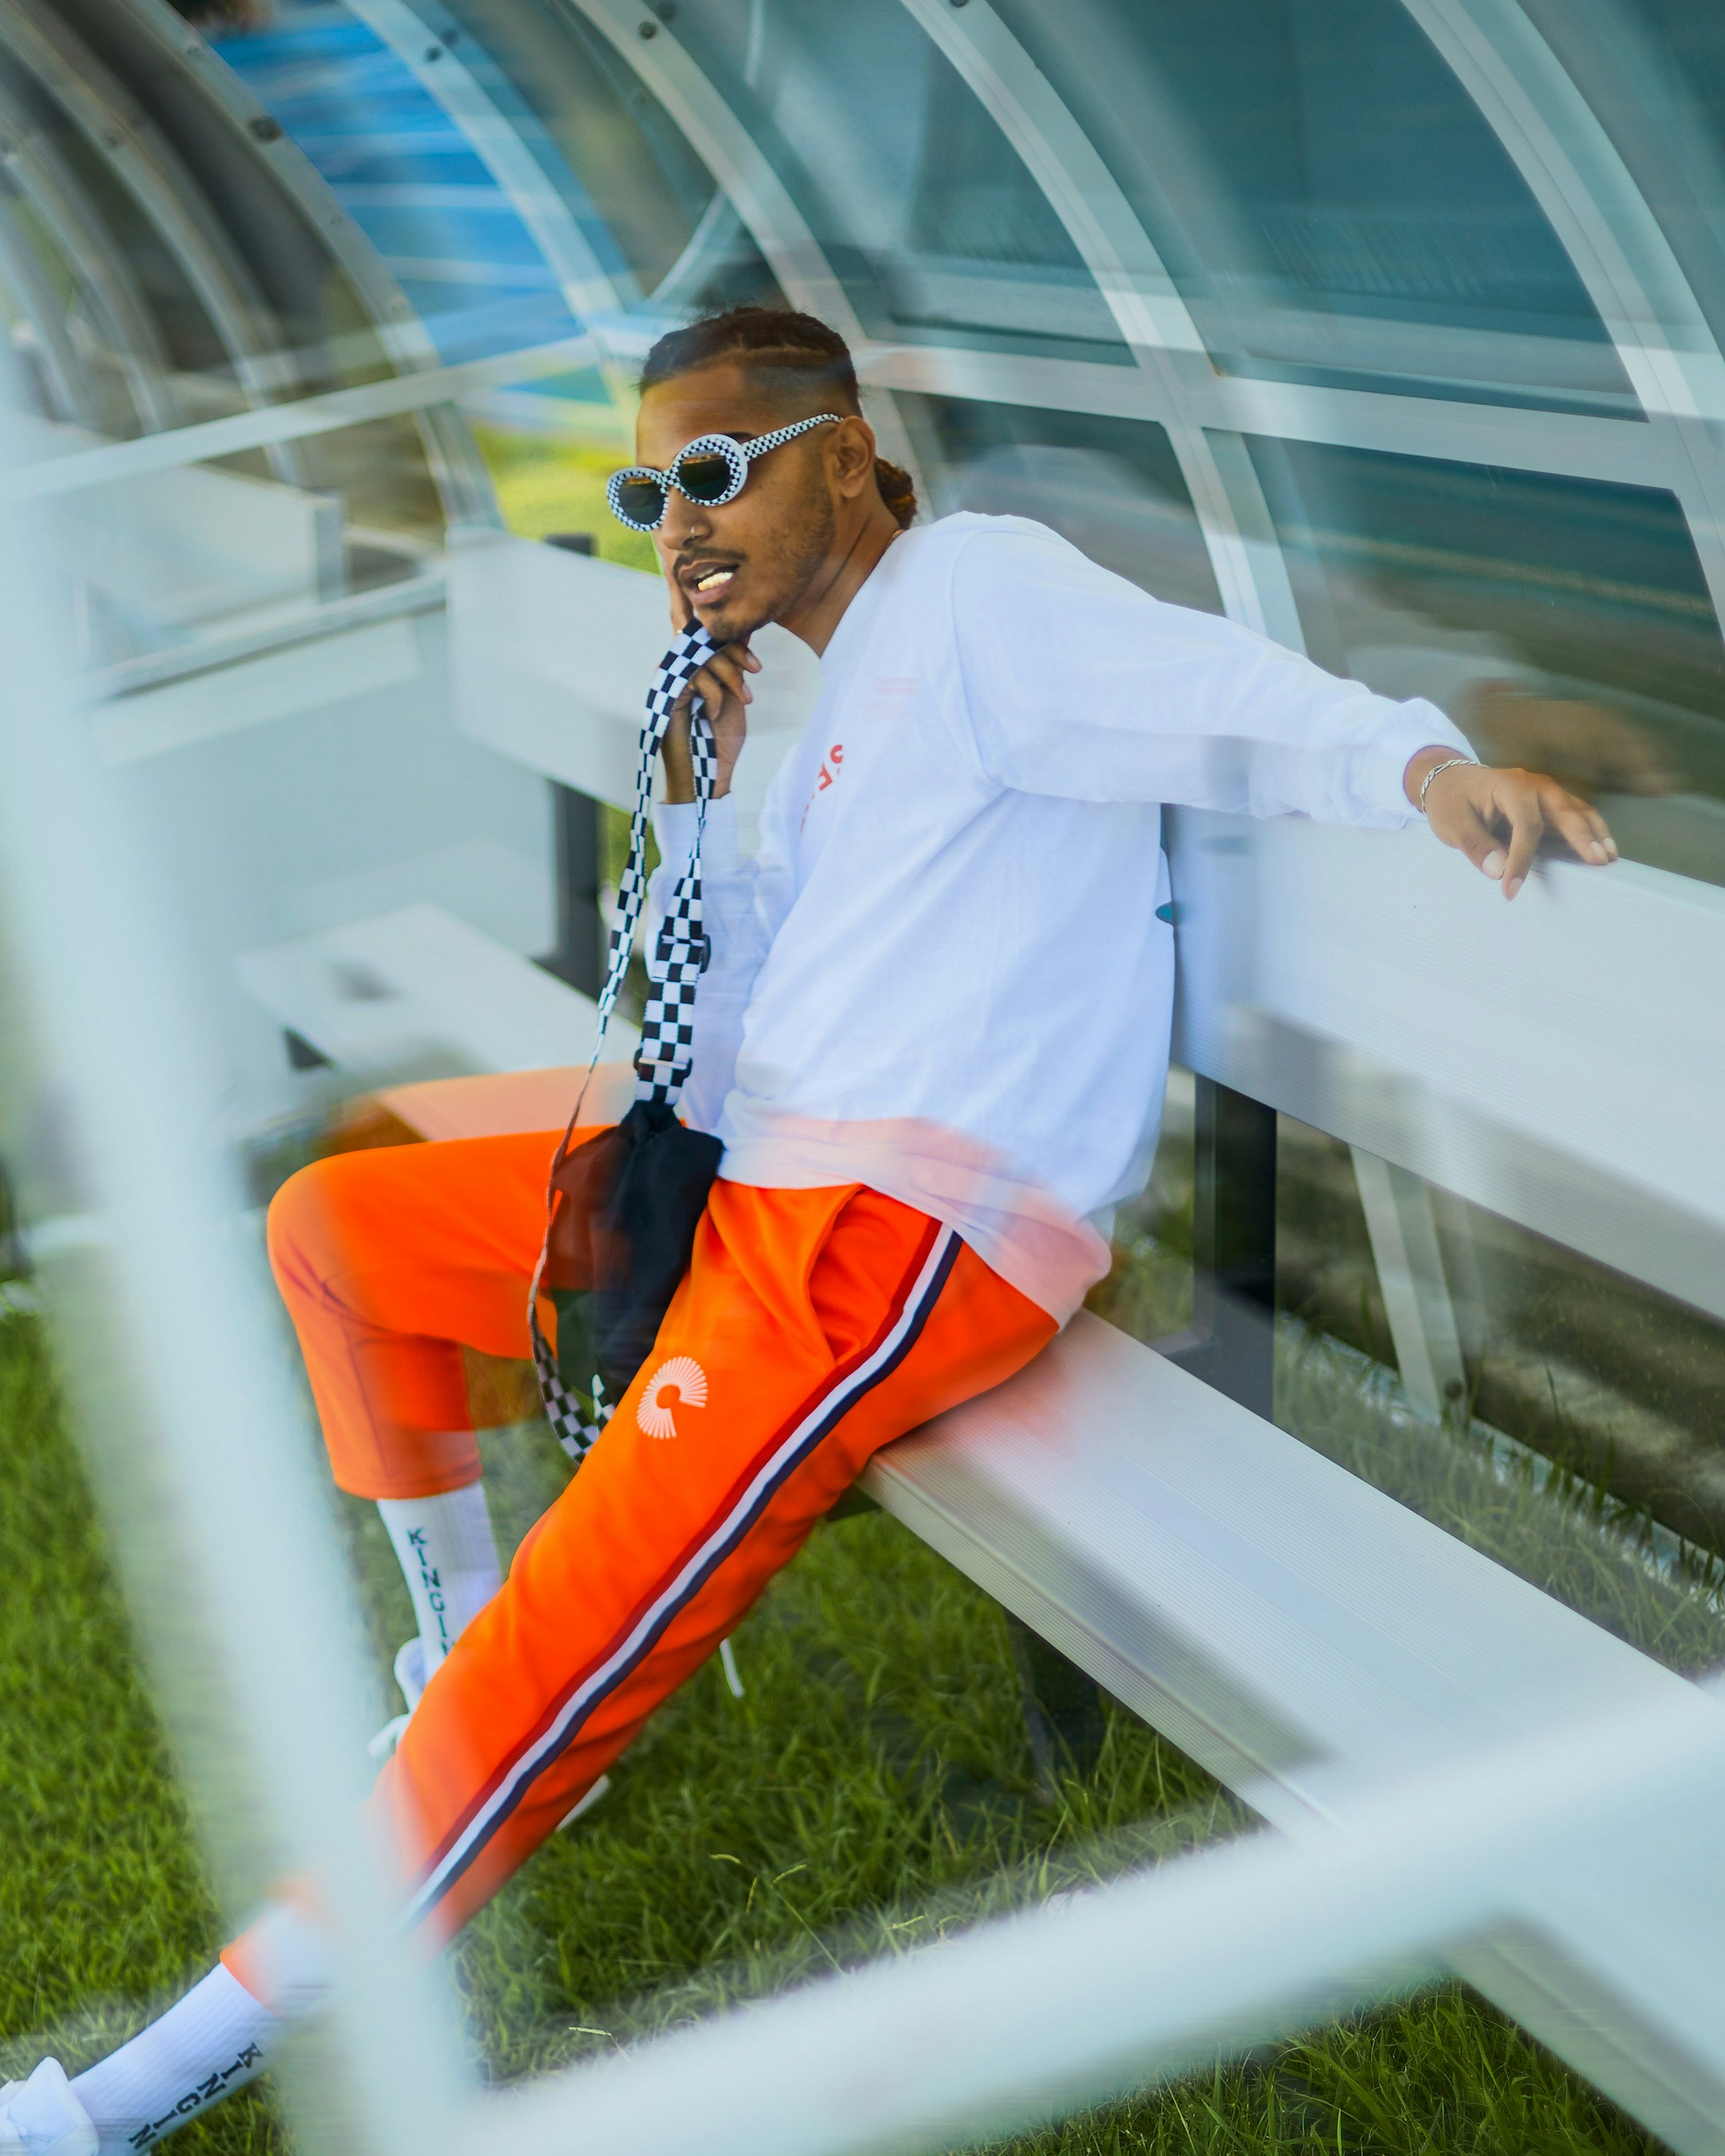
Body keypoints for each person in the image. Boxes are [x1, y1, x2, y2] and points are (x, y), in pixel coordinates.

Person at [0, 305, 1617, 2156]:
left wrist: (1425, 767)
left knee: (564, 1651)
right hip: (764, 1170)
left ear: (844, 456)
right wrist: (695, 813)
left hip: (893, 1231)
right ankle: (444, 1662)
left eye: (714, 472)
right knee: (337, 1225)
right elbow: (735, 1006)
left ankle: (114, 2105)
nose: (676, 524)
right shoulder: (836, 684)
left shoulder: (984, 596)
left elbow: (1227, 695)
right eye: (643, 492)